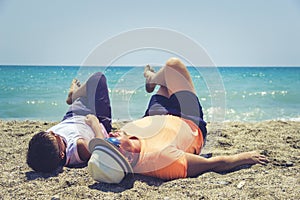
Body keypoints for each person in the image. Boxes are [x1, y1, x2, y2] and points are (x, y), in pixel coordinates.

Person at [87, 57, 269, 183]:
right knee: (173, 67)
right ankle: (151, 78)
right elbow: (210, 164)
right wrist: (242, 158)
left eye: (107, 141)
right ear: (126, 156)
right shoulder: (160, 160)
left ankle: (154, 79)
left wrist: (95, 125)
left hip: (153, 115)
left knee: (167, 80)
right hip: (188, 119)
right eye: (112, 141)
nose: (111, 135)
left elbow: (103, 143)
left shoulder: (121, 144)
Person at [27, 72, 112, 173]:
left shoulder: (44, 144)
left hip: (71, 117)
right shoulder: (79, 147)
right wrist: (94, 123)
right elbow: (101, 149)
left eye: (50, 133)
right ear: (62, 154)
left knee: (86, 94)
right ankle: (74, 95)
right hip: (97, 119)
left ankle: (75, 95)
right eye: (55, 137)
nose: (54, 133)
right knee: (97, 79)